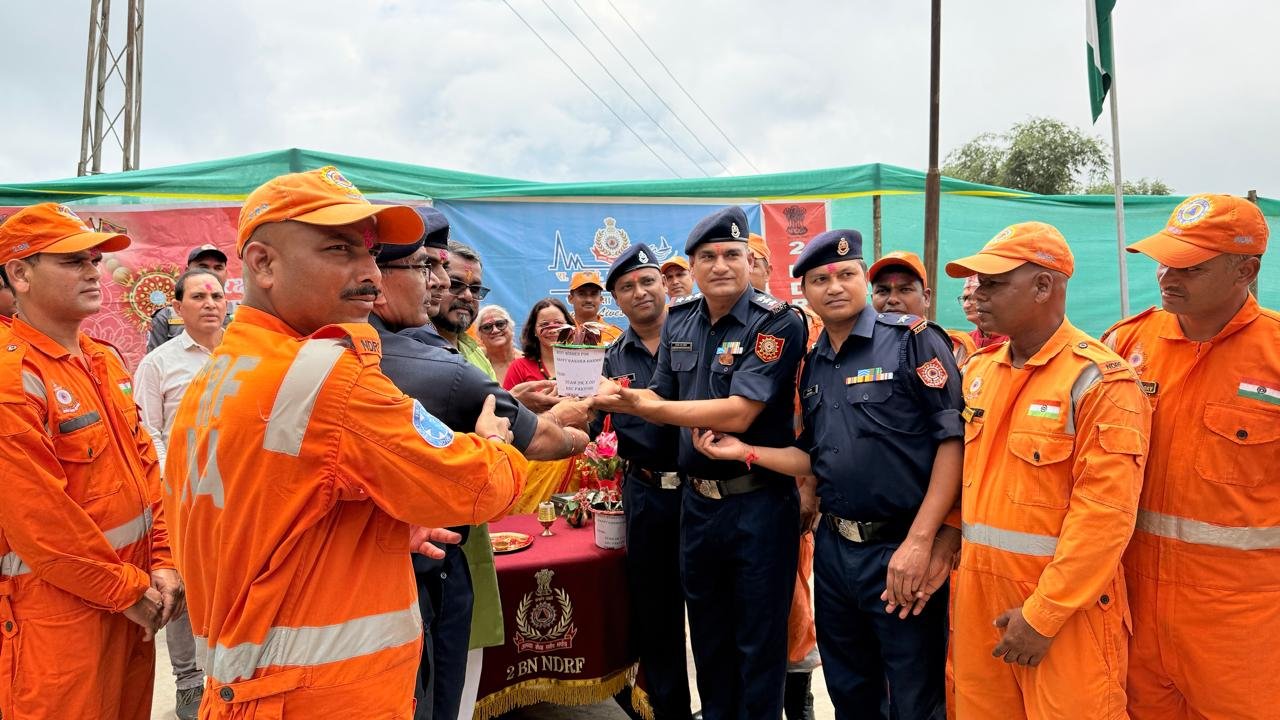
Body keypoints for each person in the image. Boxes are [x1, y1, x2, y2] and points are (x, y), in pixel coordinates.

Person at [164, 166, 526, 717]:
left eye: (371, 254)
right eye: (339, 250)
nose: (370, 276)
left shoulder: (220, 373)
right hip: (322, 695)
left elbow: (267, 515)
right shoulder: (328, 378)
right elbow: (477, 488)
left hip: (252, 689)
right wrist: (496, 443)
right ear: (262, 263)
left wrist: (371, 535)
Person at [698, 229, 964, 719]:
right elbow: (812, 458)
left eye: (846, 274)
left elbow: (952, 441)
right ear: (806, 291)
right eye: (820, 279)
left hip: (901, 547)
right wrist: (745, 450)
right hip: (837, 552)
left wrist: (922, 541)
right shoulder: (813, 363)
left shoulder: (913, 341)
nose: (835, 286)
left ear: (862, 278)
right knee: (849, 688)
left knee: (914, 694)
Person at [594, 206, 808, 719]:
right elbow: (660, 392)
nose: (720, 265)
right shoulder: (682, 320)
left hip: (757, 502)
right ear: (691, 267)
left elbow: (741, 410)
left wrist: (641, 403)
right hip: (697, 507)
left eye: (732, 254)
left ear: (749, 259)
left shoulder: (777, 322)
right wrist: (591, 397)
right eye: (707, 256)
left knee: (758, 644)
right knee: (709, 640)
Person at [371, 228, 589, 720]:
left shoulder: (443, 352)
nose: (446, 286)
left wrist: (525, 414)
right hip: (424, 563)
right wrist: (579, 426)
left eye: (470, 285)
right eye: (429, 269)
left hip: (430, 550)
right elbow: (531, 441)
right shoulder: (433, 362)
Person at [943, 222, 1150, 719]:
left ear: (1043, 286)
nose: (978, 295)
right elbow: (967, 480)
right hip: (977, 599)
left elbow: (1104, 516)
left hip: (1062, 609)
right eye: (977, 283)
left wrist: (1044, 616)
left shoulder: (1100, 381)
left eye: (993, 283)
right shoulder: (979, 372)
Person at [1101, 194, 1279, 720]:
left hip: (1242, 621)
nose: (1165, 275)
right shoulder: (1124, 345)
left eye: (1189, 266)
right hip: (1132, 605)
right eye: (1162, 259)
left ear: (1245, 269)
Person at [0, 202, 179, 719]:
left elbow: (147, 470)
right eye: (72, 260)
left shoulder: (102, 360)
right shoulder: (13, 377)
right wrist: (129, 591)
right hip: (55, 620)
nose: (92, 270)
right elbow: (41, 522)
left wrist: (164, 563)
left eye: (94, 259)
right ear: (19, 273)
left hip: (130, 604)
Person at [600, 243, 694, 720]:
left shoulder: (702, 335)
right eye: (626, 287)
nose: (639, 292)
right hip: (647, 494)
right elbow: (594, 426)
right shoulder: (613, 357)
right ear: (617, 300)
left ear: (665, 285)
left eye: (646, 281)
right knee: (657, 619)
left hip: (705, 495)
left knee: (715, 614)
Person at [132, 268, 226, 719]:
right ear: (177, 308)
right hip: (184, 498)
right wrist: (177, 480)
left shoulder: (245, 355)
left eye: (217, 294)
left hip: (241, 494)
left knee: (234, 581)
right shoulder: (159, 364)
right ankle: (189, 683)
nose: (210, 302)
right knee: (185, 590)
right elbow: (148, 431)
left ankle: (231, 675)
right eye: (199, 295)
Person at [746, 231, 819, 720]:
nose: (738, 268)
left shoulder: (799, 325)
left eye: (749, 259)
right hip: (736, 481)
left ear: (767, 268)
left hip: (791, 478)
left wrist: (809, 487)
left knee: (794, 595)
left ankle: (799, 699)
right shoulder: (711, 329)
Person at [503, 297, 594, 512]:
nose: (552, 329)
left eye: (558, 323)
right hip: (536, 455)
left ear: (571, 327)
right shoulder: (519, 366)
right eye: (544, 324)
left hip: (577, 453)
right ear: (534, 331)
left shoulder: (584, 362)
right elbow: (507, 412)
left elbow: (596, 417)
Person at [146, 244, 235, 352]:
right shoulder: (165, 316)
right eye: (203, 267)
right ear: (188, 271)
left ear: (226, 274)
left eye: (218, 268)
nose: (211, 272)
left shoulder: (243, 314)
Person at [432, 240, 498, 374]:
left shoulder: (477, 354)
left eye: (475, 289)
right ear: (432, 284)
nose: (468, 296)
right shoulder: (411, 348)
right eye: (455, 285)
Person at [567, 269, 624, 344]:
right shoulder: (561, 333)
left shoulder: (616, 335)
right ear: (570, 298)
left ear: (601, 299)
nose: (588, 300)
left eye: (594, 294)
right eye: (582, 294)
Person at [476, 305, 521, 382]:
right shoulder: (474, 363)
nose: (495, 330)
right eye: (487, 327)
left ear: (511, 327)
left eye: (500, 324)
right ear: (480, 336)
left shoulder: (527, 361)